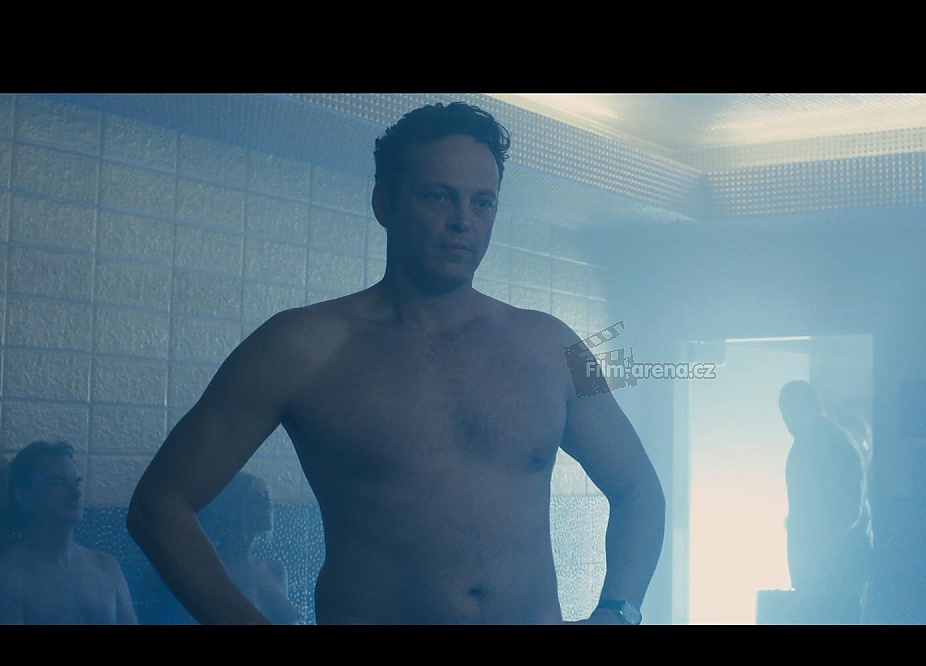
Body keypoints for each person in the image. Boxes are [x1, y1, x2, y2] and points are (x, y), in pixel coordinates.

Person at [128, 101, 666, 624]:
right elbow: (159, 506)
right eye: (438, 196)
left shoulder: (554, 346)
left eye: (483, 203)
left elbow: (638, 488)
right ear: (384, 203)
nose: (463, 221)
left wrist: (618, 612)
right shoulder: (300, 347)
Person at [0, 440, 137, 624]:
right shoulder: (8, 577)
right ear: (23, 496)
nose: (76, 493)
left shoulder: (106, 566)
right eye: (57, 483)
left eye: (77, 482)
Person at [778, 381, 872, 623]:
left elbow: (848, 511)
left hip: (833, 574)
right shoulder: (815, 443)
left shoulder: (832, 444)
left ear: (811, 406)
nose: (788, 420)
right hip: (824, 572)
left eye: (791, 411)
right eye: (785, 414)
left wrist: (818, 560)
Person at [160, 472, 300, 624]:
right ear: (234, 506)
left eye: (267, 497)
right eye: (255, 498)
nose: (267, 505)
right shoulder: (213, 572)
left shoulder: (274, 569)